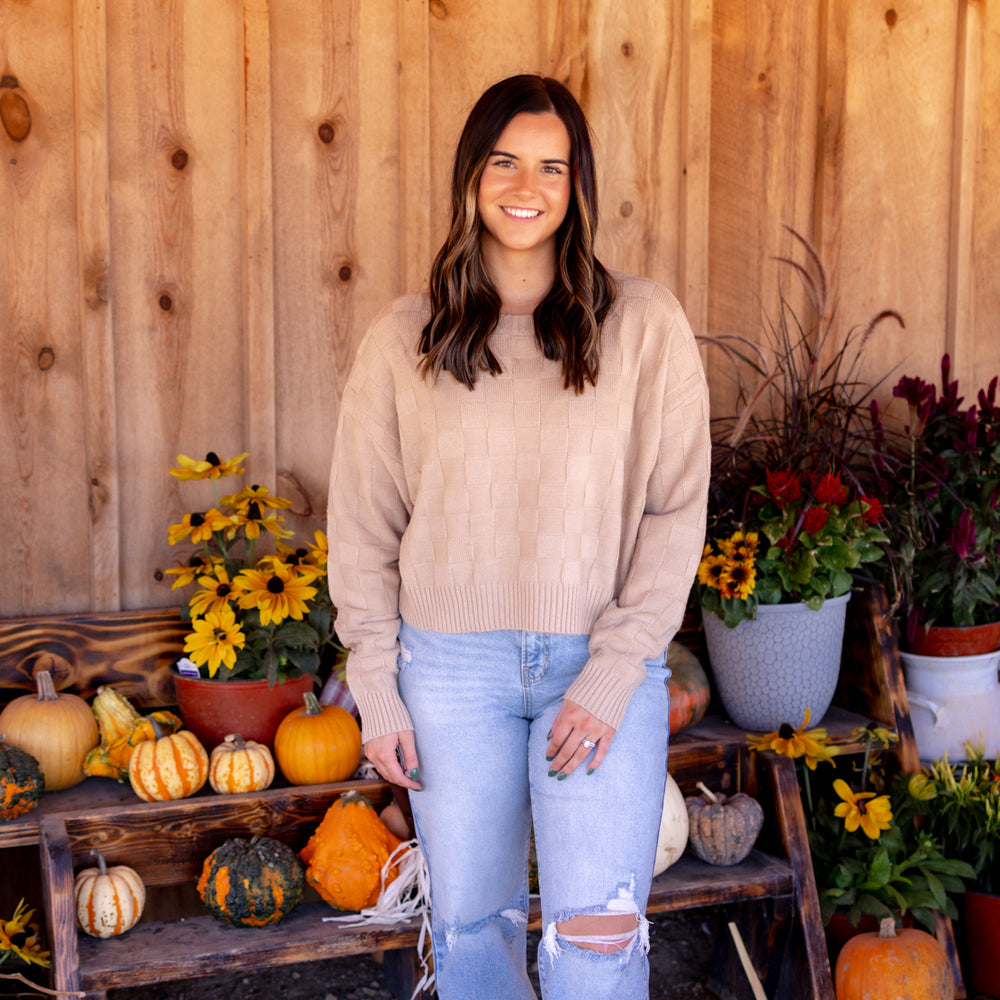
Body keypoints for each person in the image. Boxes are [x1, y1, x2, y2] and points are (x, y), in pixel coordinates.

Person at [326, 74, 710, 1000]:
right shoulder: (405, 338)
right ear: (471, 176)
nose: (525, 185)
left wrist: (618, 667)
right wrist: (375, 684)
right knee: (471, 940)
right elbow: (363, 522)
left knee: (598, 950)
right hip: (450, 676)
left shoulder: (644, 326)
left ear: (577, 185)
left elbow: (675, 509)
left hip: (600, 673)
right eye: (504, 161)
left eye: (551, 165)